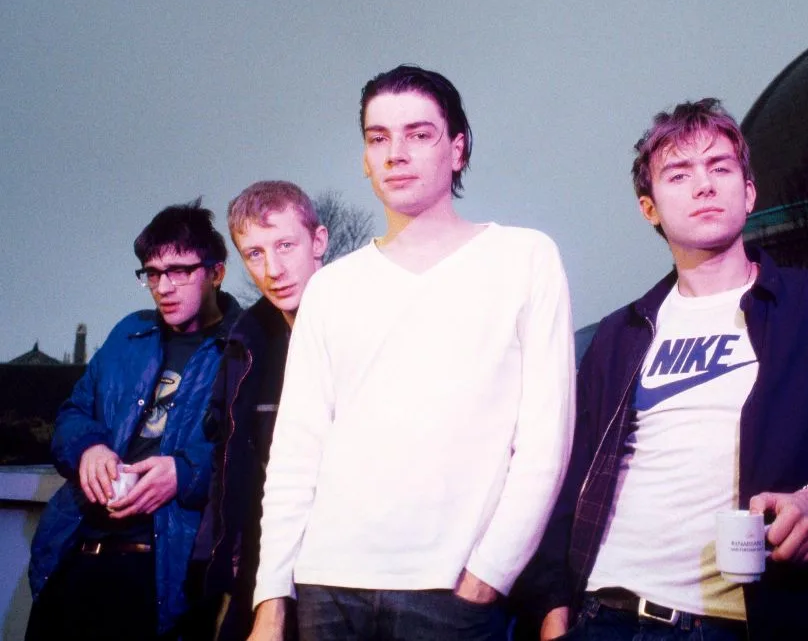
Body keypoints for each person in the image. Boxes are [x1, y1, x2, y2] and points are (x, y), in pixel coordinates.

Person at [515, 99, 808, 641]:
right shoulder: (618, 335)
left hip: (755, 625)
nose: (704, 185)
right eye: (679, 174)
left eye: (720, 168)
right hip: (606, 616)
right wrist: (552, 608)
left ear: (749, 193)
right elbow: (566, 480)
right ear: (649, 208)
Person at [249, 64, 576, 641]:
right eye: (379, 138)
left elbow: (546, 440)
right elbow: (297, 451)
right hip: (326, 586)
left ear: (458, 149)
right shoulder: (331, 287)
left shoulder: (523, 259)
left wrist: (490, 574)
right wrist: (272, 597)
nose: (395, 153)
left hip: (450, 591)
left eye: (418, 134)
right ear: (365, 157)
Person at [27, 199, 240, 641]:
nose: (164, 287)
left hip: (164, 570)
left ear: (216, 272)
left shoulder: (244, 346)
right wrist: (88, 448)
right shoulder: (130, 333)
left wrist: (184, 473)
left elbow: (257, 449)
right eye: (153, 273)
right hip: (74, 552)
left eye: (179, 271)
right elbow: (72, 413)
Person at [196, 180, 329, 641]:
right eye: (254, 253)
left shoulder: (365, 326)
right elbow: (228, 470)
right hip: (257, 575)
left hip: (343, 577)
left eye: (285, 246)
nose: (273, 269)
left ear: (319, 241)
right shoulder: (244, 343)